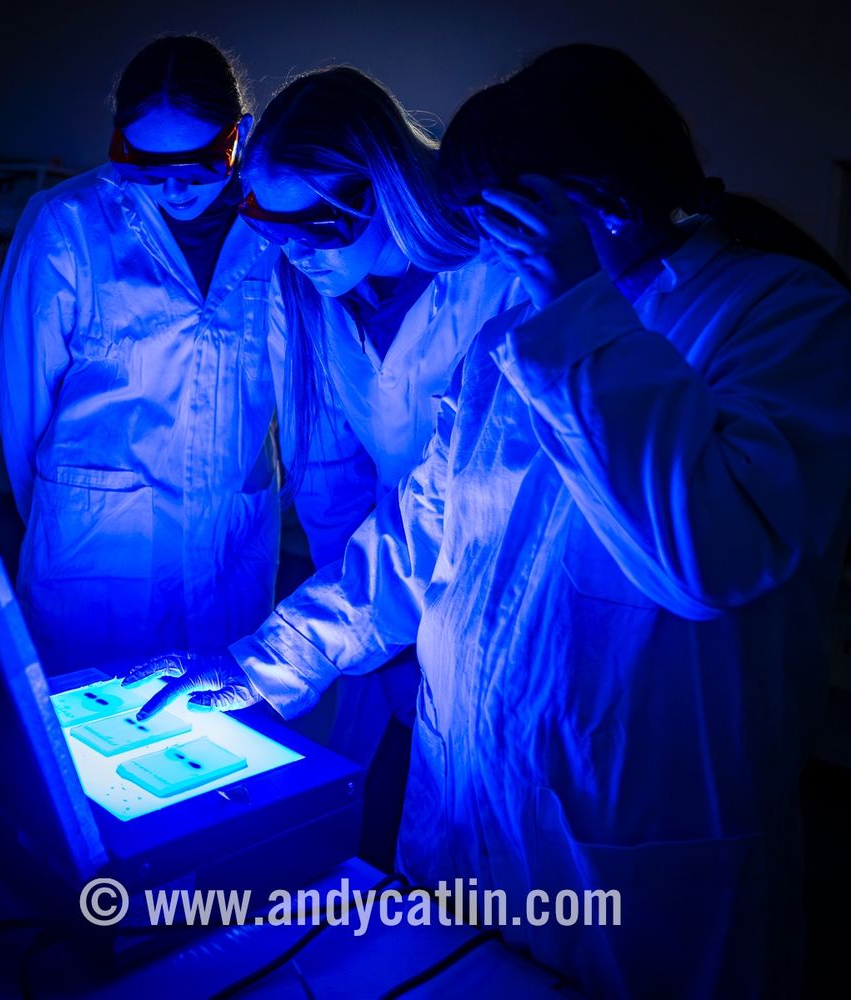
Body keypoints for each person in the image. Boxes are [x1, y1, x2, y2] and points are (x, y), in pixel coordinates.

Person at [121, 44, 851, 997]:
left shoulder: (785, 318)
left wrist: (579, 304)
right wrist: (256, 666)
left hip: (630, 855)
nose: (481, 253)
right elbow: (414, 544)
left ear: (596, 200)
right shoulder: (515, 341)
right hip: (470, 820)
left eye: (498, 220)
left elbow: (704, 557)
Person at [125, 68, 524, 863]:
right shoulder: (303, 294)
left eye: (315, 225)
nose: (293, 252)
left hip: (493, 587)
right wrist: (381, 651)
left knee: (487, 870)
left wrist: (345, 642)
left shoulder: (498, 281)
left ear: (383, 189)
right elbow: (333, 491)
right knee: (373, 838)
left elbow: (452, 507)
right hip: (379, 590)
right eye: (271, 227)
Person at [0, 35, 280, 674]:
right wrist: (74, 509)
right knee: (83, 742)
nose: (174, 189)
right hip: (93, 559)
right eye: (149, 167)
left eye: (199, 166)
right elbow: (21, 413)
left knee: (220, 742)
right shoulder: (67, 225)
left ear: (241, 136)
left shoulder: (276, 233)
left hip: (232, 548)